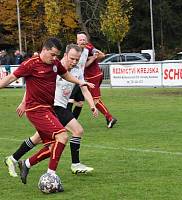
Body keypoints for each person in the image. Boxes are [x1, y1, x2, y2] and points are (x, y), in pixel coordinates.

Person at [0, 38, 93, 190]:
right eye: (53, 54)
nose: (55, 58)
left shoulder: (55, 64)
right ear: (44, 50)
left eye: (57, 55)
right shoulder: (30, 64)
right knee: (62, 136)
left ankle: (26, 163)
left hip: (48, 109)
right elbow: (11, 78)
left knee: (53, 147)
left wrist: (79, 82)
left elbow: (65, 75)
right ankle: (51, 175)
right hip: (36, 110)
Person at [67, 31, 117, 128]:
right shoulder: (74, 51)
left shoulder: (88, 48)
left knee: (93, 100)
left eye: (84, 40)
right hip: (79, 78)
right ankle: (69, 123)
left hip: (91, 76)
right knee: (78, 102)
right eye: (80, 40)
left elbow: (101, 55)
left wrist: (94, 56)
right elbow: (84, 65)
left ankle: (110, 117)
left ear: (87, 40)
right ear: (77, 41)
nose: (82, 41)